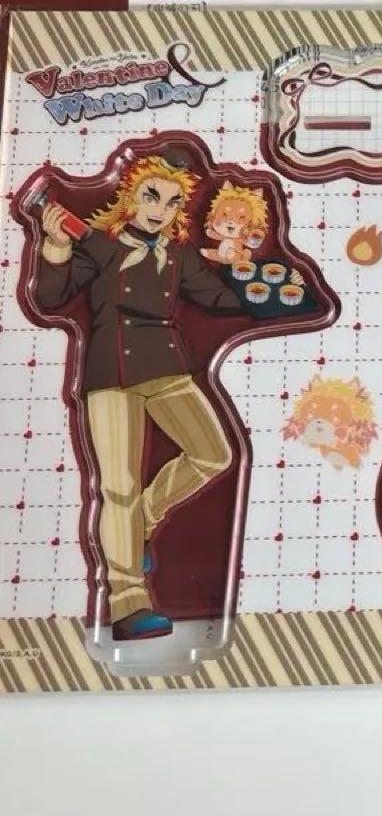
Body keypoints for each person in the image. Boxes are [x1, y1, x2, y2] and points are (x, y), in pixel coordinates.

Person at [33, 151, 245, 642]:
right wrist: (56, 247)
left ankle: (143, 521)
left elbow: (221, 301)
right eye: (152, 196)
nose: (159, 210)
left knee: (214, 453)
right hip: (111, 372)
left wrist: (245, 267)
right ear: (130, 196)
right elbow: (50, 299)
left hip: (167, 366)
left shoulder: (179, 256)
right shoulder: (101, 247)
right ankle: (128, 602)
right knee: (118, 488)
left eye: (171, 203)